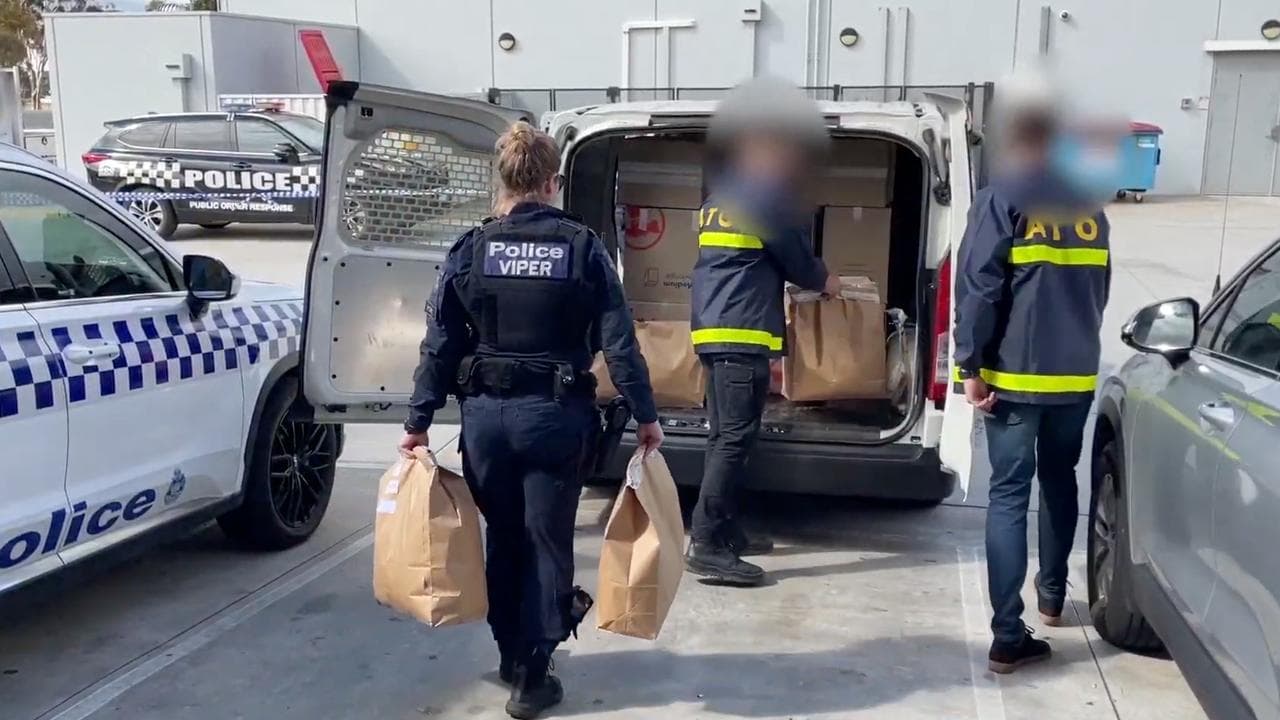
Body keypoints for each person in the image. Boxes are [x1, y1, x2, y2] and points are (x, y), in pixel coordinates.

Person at [398, 122, 664, 719]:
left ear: (505, 179)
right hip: (554, 417)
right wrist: (646, 416)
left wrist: (417, 422)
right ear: (553, 182)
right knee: (546, 540)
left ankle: (511, 654)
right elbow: (619, 344)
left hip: (486, 422)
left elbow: (438, 343)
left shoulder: (472, 246)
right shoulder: (584, 247)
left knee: (507, 538)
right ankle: (536, 673)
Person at [953, 71, 1115, 674]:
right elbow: (1098, 290)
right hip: (1073, 378)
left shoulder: (1005, 197)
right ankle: (1052, 599)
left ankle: (1006, 634)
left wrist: (972, 365)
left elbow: (980, 288)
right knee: (1060, 483)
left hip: (1016, 378)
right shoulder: (1091, 208)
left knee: (1007, 494)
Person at [684, 78, 842, 586]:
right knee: (733, 438)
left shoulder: (722, 196)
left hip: (714, 332)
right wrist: (828, 283)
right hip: (741, 333)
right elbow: (797, 260)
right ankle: (706, 543)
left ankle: (725, 528)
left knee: (723, 436)